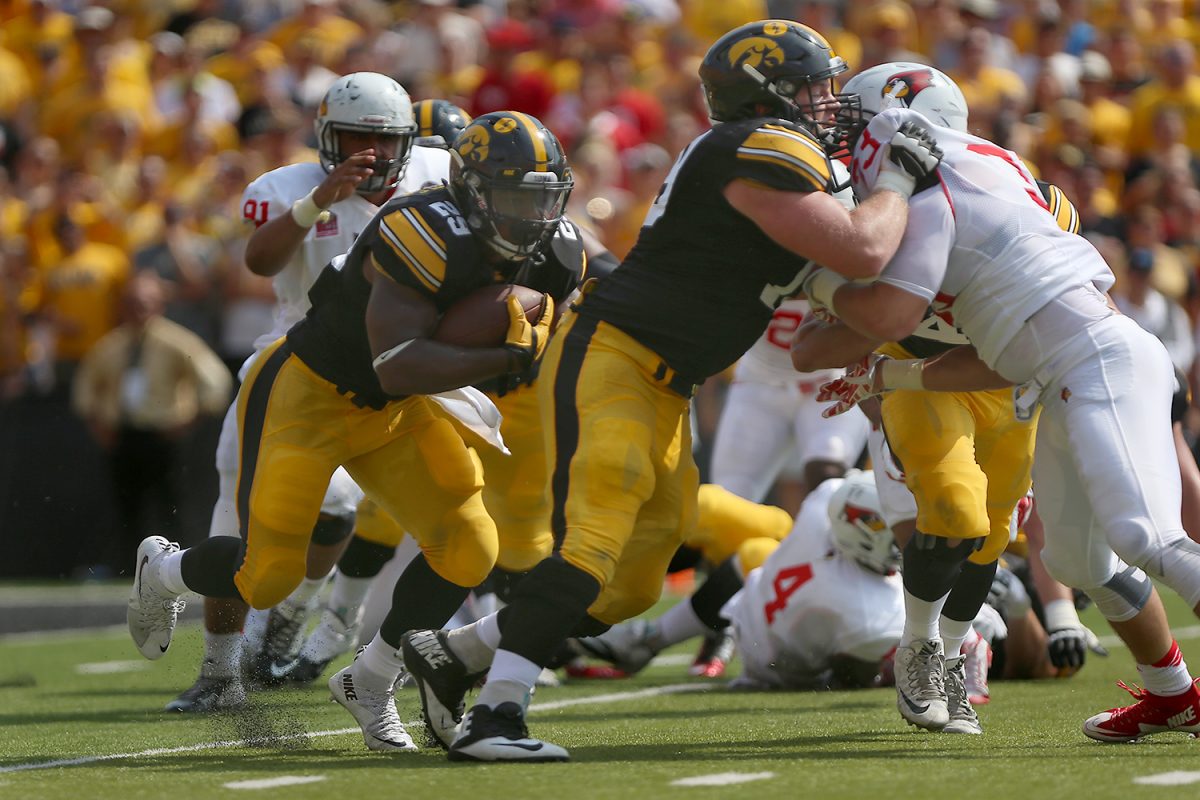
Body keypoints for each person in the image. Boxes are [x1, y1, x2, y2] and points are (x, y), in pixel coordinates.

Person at [397, 19, 944, 762]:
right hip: (616, 357)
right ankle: (498, 714)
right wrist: (900, 181)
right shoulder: (753, 149)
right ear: (766, 98)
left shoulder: (775, 156)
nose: (829, 101)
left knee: (625, 589)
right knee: (589, 548)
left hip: (667, 382)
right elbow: (864, 246)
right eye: (814, 87)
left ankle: (451, 654)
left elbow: (854, 271)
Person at [127, 109, 570, 755]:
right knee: (269, 575)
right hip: (310, 393)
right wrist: (506, 354)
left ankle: (372, 681)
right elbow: (398, 364)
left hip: (398, 410)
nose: (529, 215)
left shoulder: (558, 250)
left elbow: (578, 296)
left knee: (470, 544)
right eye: (512, 197)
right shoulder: (420, 227)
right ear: (473, 192)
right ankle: (165, 569)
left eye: (542, 197)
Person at [796, 64, 1200, 743]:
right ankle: (1177, 698)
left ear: (904, 131)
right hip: (1049, 369)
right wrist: (885, 382)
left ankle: (940, 654)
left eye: (859, 125)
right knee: (1077, 562)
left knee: (1143, 537)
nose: (847, 141)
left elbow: (892, 314)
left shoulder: (927, 196)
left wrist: (821, 286)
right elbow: (1005, 348)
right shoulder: (987, 169)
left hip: (1093, 361)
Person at [161, 71, 452, 714]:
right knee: (239, 521)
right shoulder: (287, 189)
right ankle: (217, 667)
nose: (368, 154)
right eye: (353, 138)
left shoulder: (437, 173)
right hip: (292, 368)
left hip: (390, 374)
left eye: (382, 141)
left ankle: (294, 617)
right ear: (325, 136)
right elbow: (260, 262)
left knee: (339, 514)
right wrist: (317, 200)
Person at [272, 97, 476, 687]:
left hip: (451, 373)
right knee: (356, 507)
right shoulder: (398, 215)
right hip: (372, 370)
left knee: (473, 511)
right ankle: (322, 619)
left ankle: (364, 628)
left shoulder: (468, 207)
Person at [72, 272, 231, 572]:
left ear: (159, 305)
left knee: (169, 504)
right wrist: (98, 424)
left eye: (145, 303)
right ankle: (128, 569)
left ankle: (174, 570)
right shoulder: (112, 345)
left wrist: (190, 420)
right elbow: (85, 386)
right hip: (124, 434)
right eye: (132, 303)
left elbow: (215, 382)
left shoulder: (176, 341)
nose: (138, 310)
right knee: (125, 505)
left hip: (163, 436)